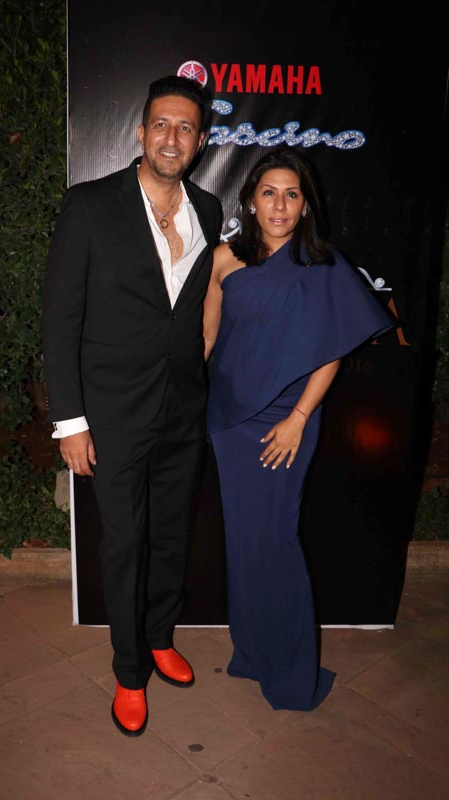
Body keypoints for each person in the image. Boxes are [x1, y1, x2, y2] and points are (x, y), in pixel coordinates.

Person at [41, 75, 223, 736]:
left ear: (200, 141)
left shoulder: (209, 210)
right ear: (141, 132)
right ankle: (127, 671)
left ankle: (159, 636)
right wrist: (70, 423)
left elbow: (193, 309)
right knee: (124, 542)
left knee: (172, 533)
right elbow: (60, 320)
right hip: (112, 413)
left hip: (182, 409)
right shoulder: (90, 205)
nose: (172, 138)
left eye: (186, 128)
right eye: (161, 125)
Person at [203, 146, 394, 711]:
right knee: (244, 542)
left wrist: (299, 419)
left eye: (292, 194)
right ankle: (253, 652)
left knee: (278, 543)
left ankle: (291, 673)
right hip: (229, 420)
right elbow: (206, 339)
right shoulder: (223, 260)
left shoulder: (323, 265)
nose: (280, 205)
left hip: (288, 419)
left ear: (306, 204)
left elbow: (330, 352)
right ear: (251, 202)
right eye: (269, 193)